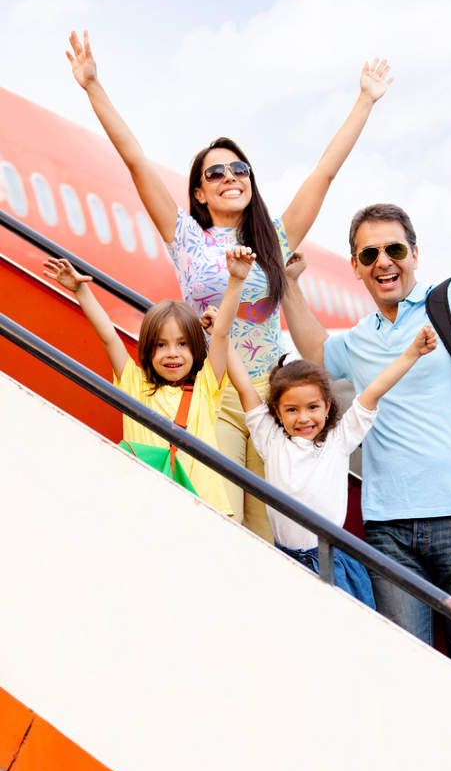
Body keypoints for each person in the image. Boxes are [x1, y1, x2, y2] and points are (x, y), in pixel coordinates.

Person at [66, 30, 393, 539]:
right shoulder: (187, 239)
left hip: (272, 398)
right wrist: (93, 87)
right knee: (223, 521)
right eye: (214, 173)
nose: (229, 177)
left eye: (238, 168)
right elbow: (135, 161)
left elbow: (324, 173)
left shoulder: (275, 239)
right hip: (213, 393)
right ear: (198, 189)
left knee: (272, 530)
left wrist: (364, 101)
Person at [280, 170, 451, 685]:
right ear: (357, 269)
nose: (383, 262)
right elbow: (317, 352)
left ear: (414, 253)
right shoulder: (361, 339)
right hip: (390, 530)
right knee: (406, 673)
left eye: (394, 250)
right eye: (369, 255)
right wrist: (292, 286)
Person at [202, 294, 436, 606]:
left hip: (330, 561)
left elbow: (375, 389)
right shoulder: (271, 439)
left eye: (312, 407)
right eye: (292, 410)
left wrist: (412, 352)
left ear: (327, 407)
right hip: (284, 559)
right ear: (278, 412)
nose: (303, 418)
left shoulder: (338, 440)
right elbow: (244, 385)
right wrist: (220, 334)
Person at [43, 245, 256, 514]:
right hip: (147, 502)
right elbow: (109, 336)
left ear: (196, 348)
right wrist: (80, 290)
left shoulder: (205, 387)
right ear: (148, 349)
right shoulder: (135, 384)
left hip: (202, 507)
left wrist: (236, 280)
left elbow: (222, 334)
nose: (172, 354)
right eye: (160, 345)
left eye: (182, 344)